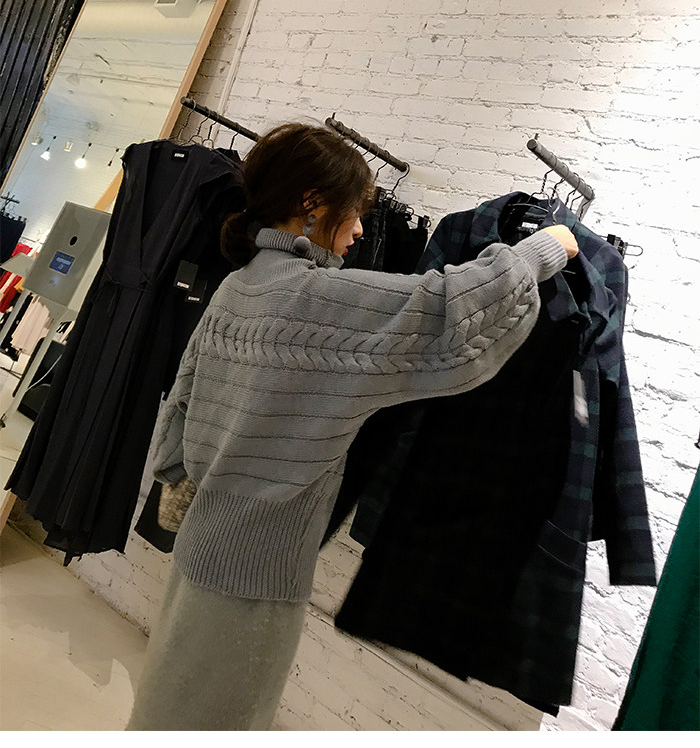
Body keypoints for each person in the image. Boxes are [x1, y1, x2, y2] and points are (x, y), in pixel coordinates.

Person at [129, 119, 578, 730]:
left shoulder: (238, 287)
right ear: (312, 204)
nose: (363, 229)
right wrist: (544, 248)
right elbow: (446, 308)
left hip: (200, 547)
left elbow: (179, 407)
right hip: (254, 577)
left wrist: (188, 470)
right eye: (355, 211)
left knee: (169, 708)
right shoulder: (318, 301)